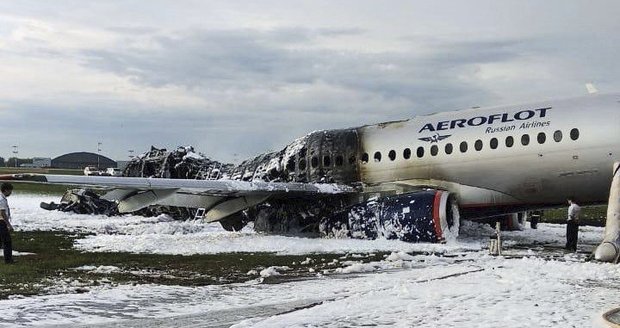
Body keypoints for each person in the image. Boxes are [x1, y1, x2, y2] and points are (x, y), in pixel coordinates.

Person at [0, 183, 14, 264]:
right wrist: (8, 224)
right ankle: (8, 260)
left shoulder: (1, 197)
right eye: (10, 191)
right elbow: (2, 213)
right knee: (7, 241)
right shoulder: (2, 199)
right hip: (2, 222)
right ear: (6, 190)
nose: (10, 193)